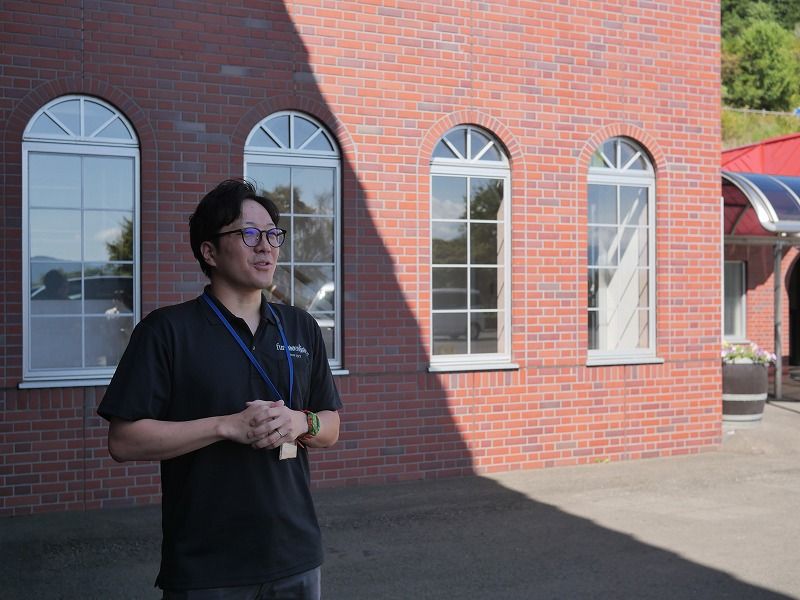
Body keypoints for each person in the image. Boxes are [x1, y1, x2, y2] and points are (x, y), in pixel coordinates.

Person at [97, 179, 342, 599]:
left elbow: (331, 425)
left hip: (295, 555)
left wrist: (301, 422)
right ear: (209, 252)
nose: (266, 247)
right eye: (249, 234)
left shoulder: (301, 326)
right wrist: (225, 427)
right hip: (207, 567)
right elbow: (123, 441)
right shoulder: (167, 331)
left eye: (273, 234)